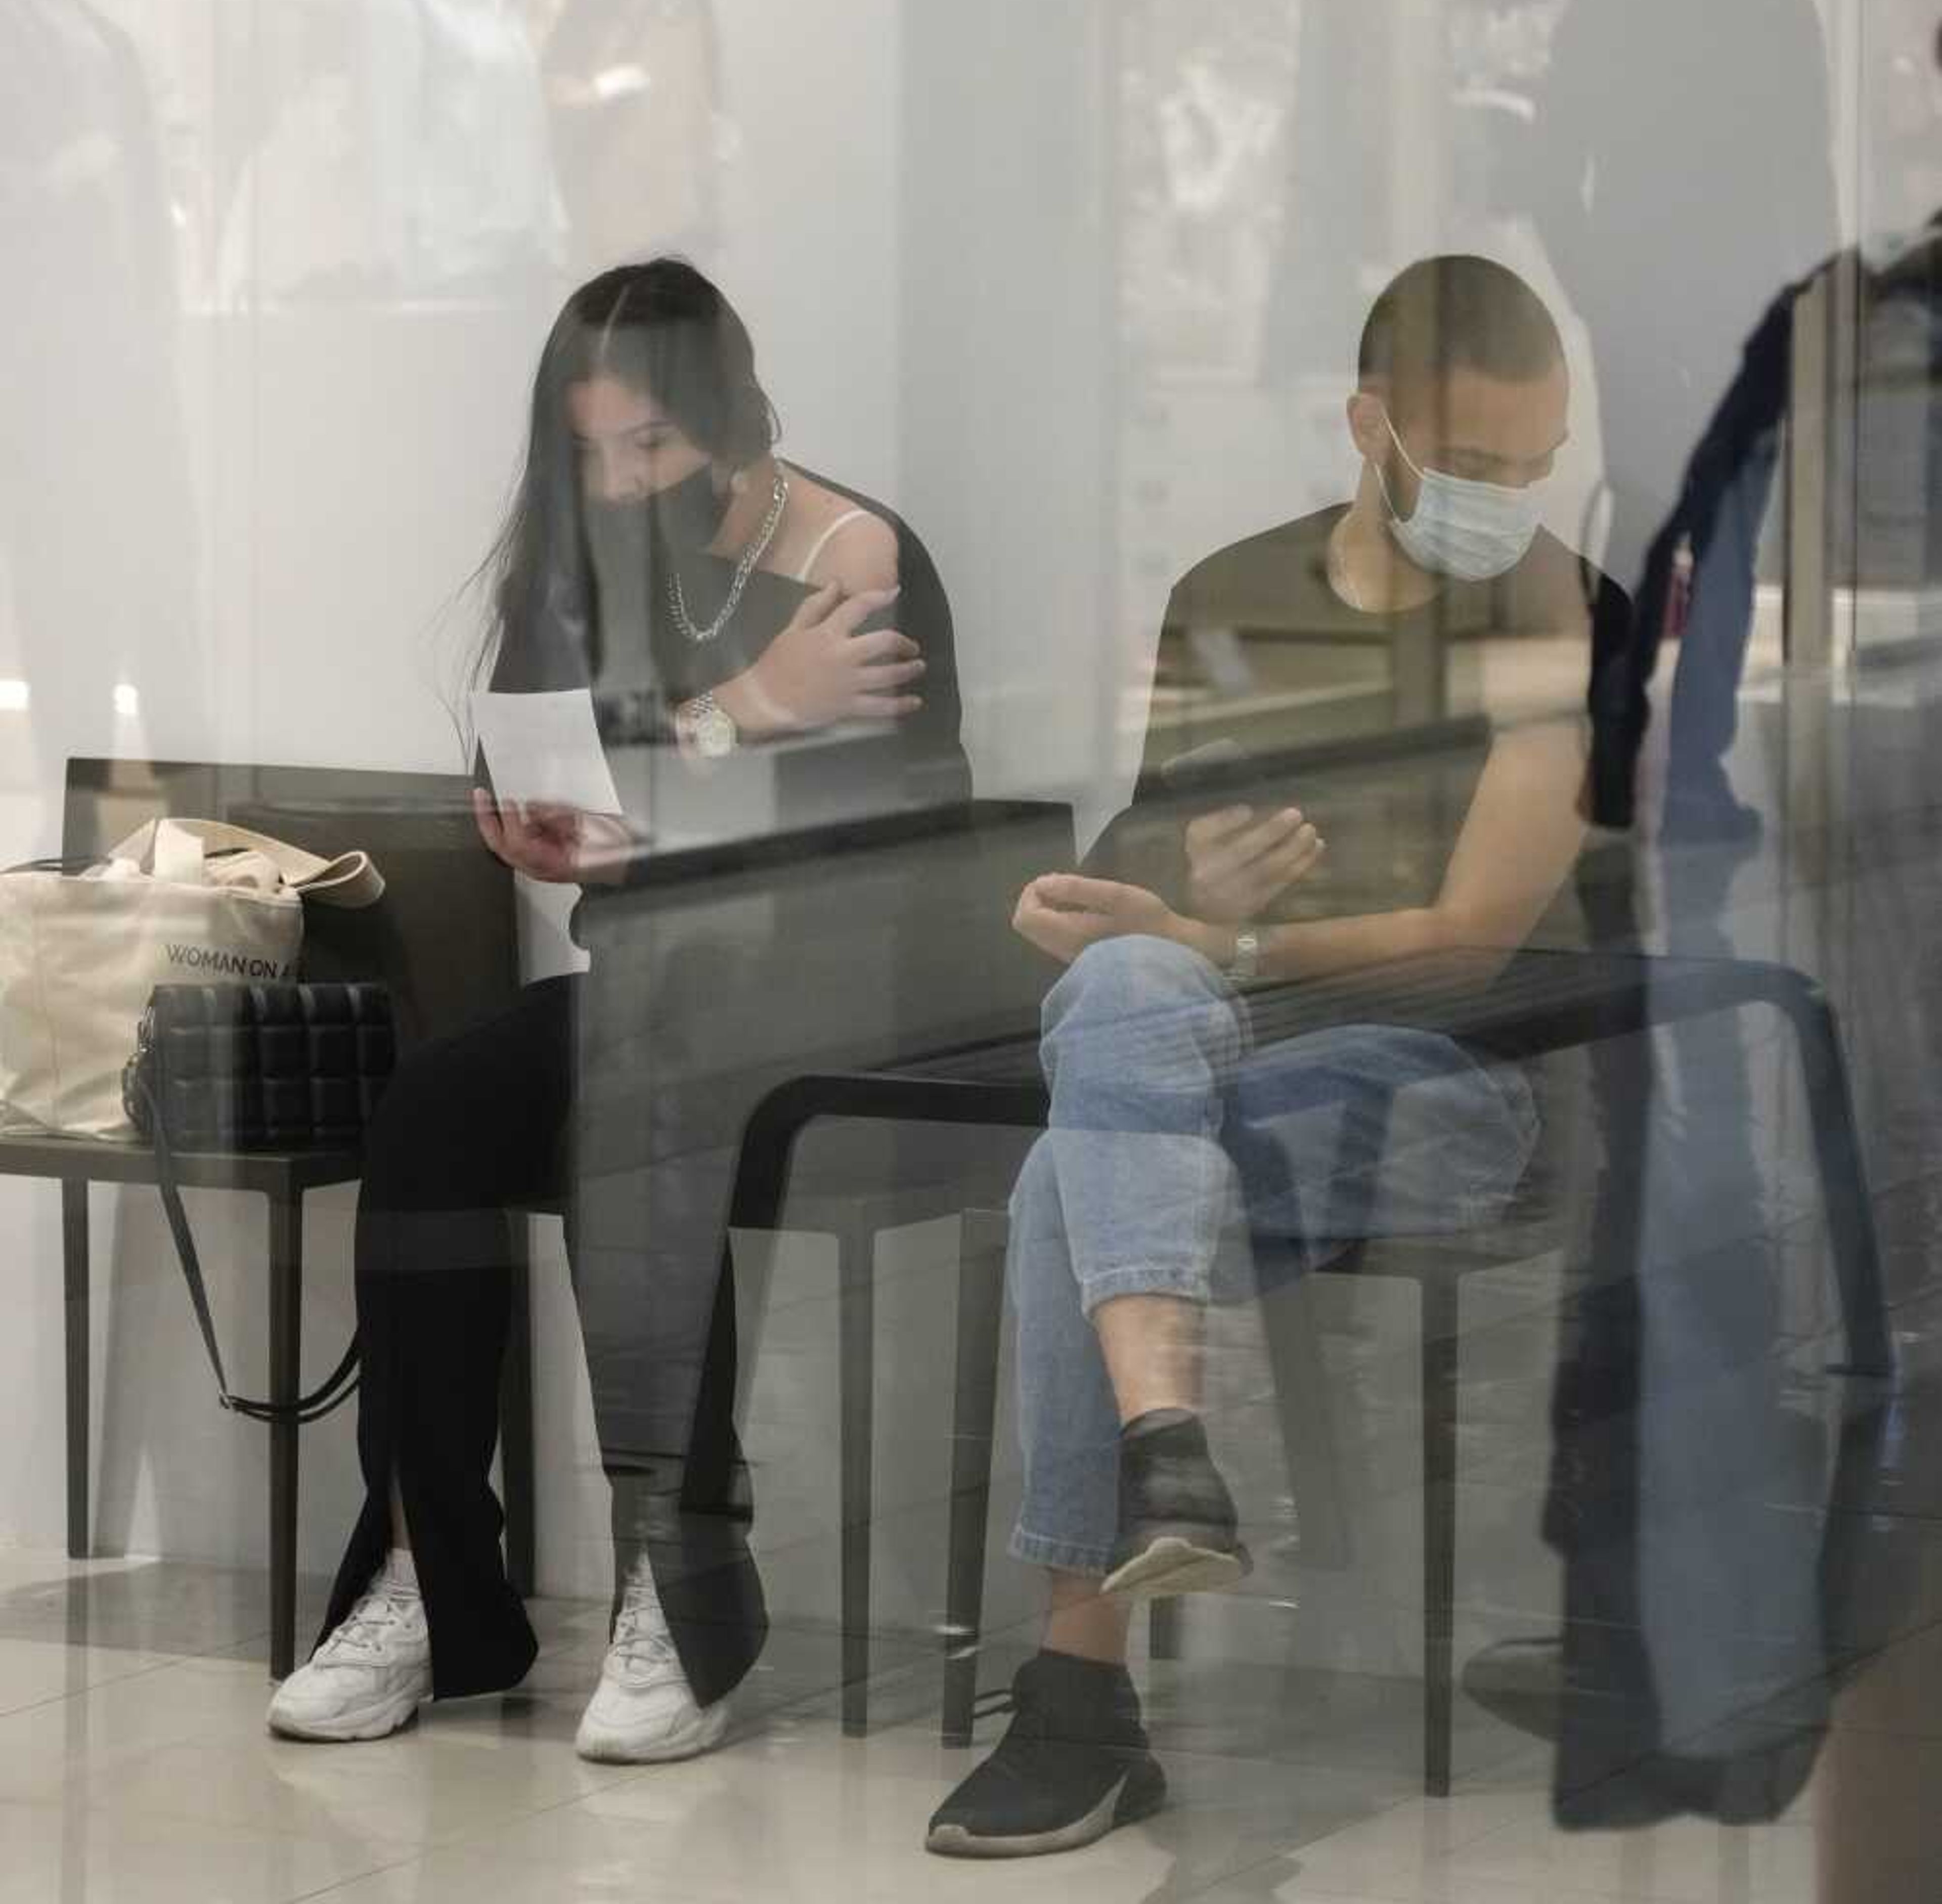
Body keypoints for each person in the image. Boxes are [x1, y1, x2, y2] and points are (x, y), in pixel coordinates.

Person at [926, 254, 1626, 1859]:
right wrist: (1110, 902)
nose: (1508, 501)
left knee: (1070, 1164)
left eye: (1537, 464)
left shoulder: (1552, 607)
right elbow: (1151, 855)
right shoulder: (1234, 590)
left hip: (1459, 1078)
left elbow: (1473, 934)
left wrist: (1215, 935)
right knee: (1114, 1011)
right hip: (1207, 1052)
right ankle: (1164, 1460)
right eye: (1474, 465)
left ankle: (1085, 1679)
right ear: (1369, 426)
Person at [267, 259, 967, 1761]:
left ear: (729, 414)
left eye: (648, 445)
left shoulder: (856, 558)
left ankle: (682, 1575)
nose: (617, 478)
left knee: (638, 1076)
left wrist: (702, 738)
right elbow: (549, 760)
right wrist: (555, 813)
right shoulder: (586, 549)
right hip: (653, 969)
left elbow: (898, 857)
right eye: (587, 449)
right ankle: (423, 1571)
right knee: (442, 1099)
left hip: (832, 996)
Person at [1531, 0, 1837, 839]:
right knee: (1721, 528)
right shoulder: (1775, 10)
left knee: (1651, 520)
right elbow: (1809, 179)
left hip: (1654, 301)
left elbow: (1549, 174)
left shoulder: (1611, 12)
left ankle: (1618, 754)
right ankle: (1689, 767)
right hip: (1730, 306)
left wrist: (1597, 286)